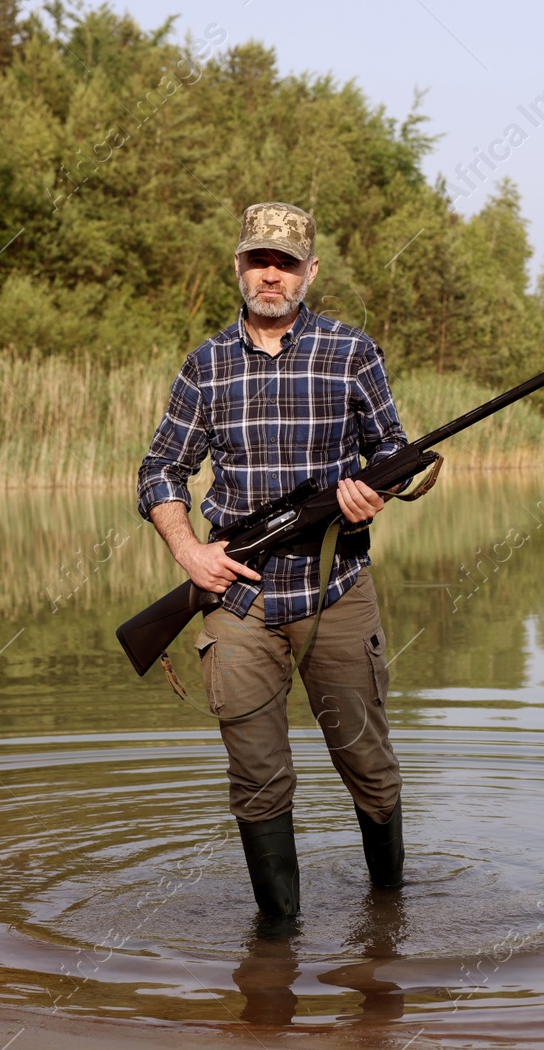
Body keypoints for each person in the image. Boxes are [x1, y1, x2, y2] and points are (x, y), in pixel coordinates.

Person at [136, 201, 407, 924]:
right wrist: (189, 550)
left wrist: (370, 489)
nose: (270, 273)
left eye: (286, 262)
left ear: (309, 272)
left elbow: (396, 454)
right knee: (257, 778)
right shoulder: (206, 364)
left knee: (370, 770)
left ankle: (390, 916)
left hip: (336, 591)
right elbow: (160, 470)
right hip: (238, 602)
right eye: (258, 259)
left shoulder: (353, 351)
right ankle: (278, 940)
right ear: (238, 267)